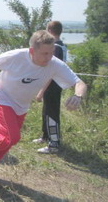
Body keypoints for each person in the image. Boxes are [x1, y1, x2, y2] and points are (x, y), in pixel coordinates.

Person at [0, 30, 87, 174]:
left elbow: (80, 83)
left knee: (11, 140)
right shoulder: (16, 56)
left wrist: (78, 96)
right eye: (45, 53)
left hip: (22, 105)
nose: (49, 57)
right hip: (3, 97)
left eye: (51, 52)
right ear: (32, 50)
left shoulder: (55, 64)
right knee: (10, 137)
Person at [33, 21, 68, 154]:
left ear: (50, 30)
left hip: (53, 84)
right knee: (46, 110)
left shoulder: (56, 48)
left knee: (52, 113)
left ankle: (54, 143)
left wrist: (41, 91)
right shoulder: (61, 46)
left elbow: (51, 72)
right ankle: (45, 136)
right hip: (54, 84)